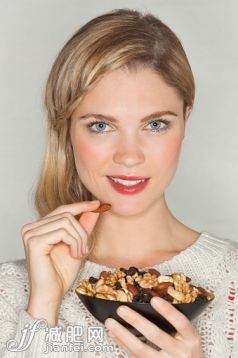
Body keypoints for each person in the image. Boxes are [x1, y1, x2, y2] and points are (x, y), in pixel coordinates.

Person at [0, 8, 237, 358]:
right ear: (66, 128)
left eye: (155, 124)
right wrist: (43, 309)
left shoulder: (232, 282)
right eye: (100, 125)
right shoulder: (11, 292)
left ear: (186, 117)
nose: (129, 156)